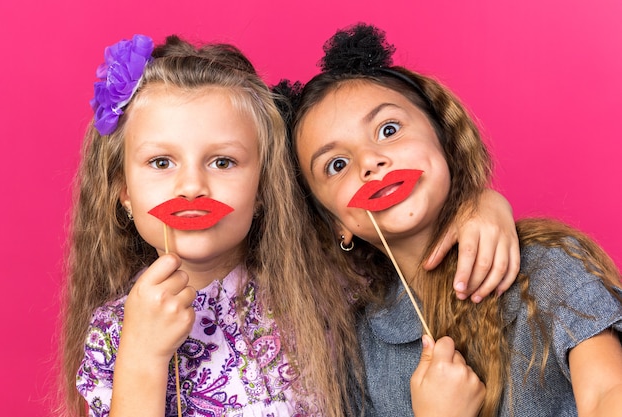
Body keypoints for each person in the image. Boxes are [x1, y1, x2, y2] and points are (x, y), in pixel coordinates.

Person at [59, 33, 519, 417]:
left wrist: (479, 203)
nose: (192, 186)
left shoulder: (326, 279)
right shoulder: (115, 333)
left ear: (263, 189)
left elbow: (406, 235)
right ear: (122, 191)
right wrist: (143, 357)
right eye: (161, 161)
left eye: (223, 161)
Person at [282, 23, 622, 417]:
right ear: (335, 223)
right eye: (336, 164)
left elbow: (607, 393)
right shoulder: (358, 351)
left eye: (388, 130)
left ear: (443, 138)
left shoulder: (544, 268)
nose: (369, 162)